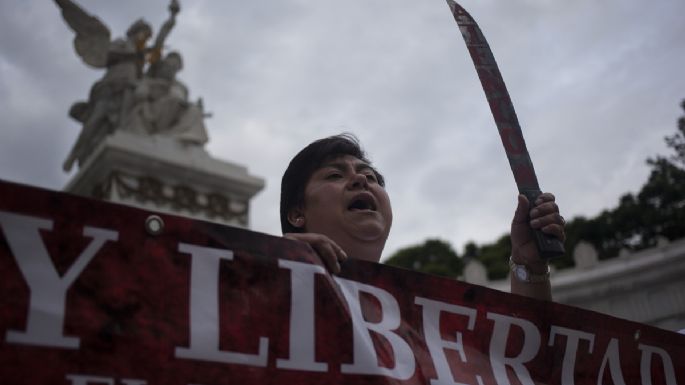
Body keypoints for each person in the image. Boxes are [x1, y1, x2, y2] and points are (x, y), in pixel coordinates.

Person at [280, 134, 565, 301]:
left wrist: (529, 264)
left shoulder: (423, 316)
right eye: (334, 175)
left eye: (370, 176)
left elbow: (519, 366)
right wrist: (273, 264)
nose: (360, 181)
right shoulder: (252, 287)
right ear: (296, 214)